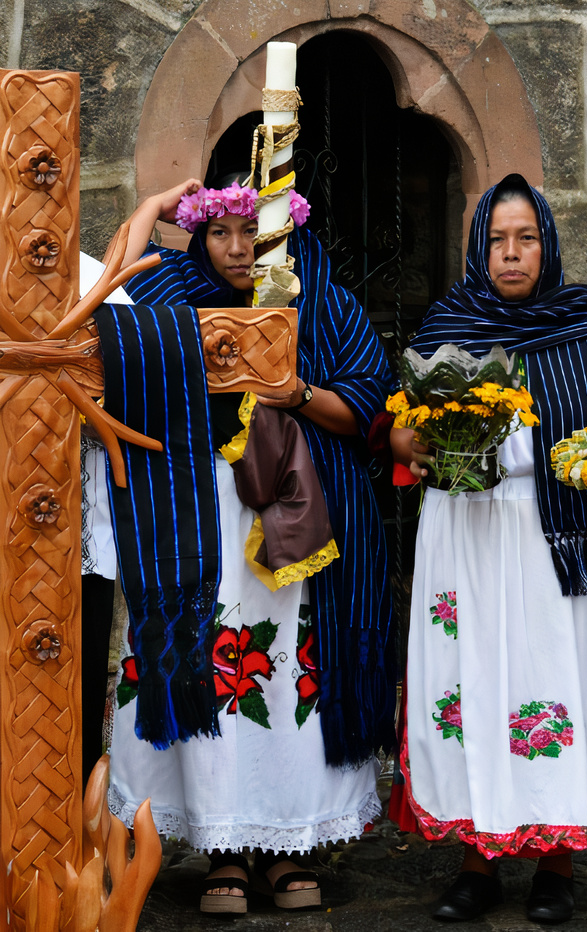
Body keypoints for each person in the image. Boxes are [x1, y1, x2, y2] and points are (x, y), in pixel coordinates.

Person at [105, 176, 396, 914]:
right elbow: (105, 298)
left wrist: (292, 392)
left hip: (292, 521)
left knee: (276, 674)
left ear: (282, 233)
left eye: (254, 231)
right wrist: (148, 211)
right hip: (197, 523)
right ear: (198, 238)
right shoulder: (173, 290)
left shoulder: (320, 295)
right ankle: (221, 847)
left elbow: (366, 403)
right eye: (220, 232)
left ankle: (283, 845)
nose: (239, 248)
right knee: (213, 667)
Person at [391, 174, 587, 925]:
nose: (512, 255)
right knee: (477, 686)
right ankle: (478, 861)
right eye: (498, 241)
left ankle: (556, 863)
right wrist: (408, 438)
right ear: (480, 249)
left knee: (559, 689)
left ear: (548, 243)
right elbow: (403, 431)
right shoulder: (448, 326)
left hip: (566, 548)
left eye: (527, 238)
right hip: (469, 538)